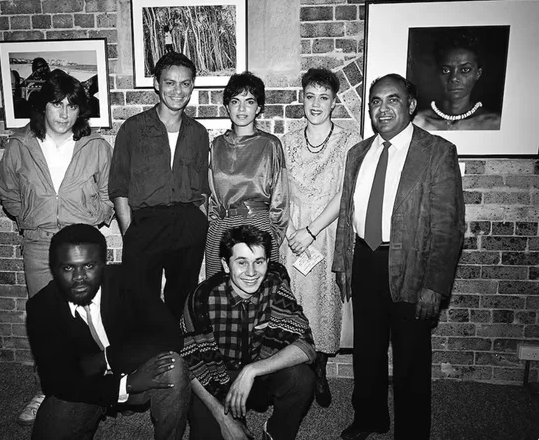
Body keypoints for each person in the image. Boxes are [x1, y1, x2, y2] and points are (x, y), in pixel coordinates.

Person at [333, 74, 465, 440]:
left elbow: (448, 226)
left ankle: (412, 432)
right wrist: (343, 264)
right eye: (375, 101)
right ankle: (370, 416)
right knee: (367, 350)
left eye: (393, 100)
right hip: (365, 258)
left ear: (410, 106)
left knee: (411, 358)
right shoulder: (357, 153)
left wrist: (434, 286)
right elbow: (348, 213)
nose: (383, 108)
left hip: (412, 266)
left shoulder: (437, 151)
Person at [0, 68, 114, 425]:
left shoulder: (95, 147)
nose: (64, 113)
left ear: (81, 110)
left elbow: (111, 194)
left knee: (88, 317)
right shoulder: (20, 146)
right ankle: (46, 389)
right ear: (43, 107)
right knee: (47, 321)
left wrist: (93, 212)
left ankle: (96, 386)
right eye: (56, 104)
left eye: (72, 105)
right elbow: (9, 196)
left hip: (81, 247)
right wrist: (34, 218)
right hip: (39, 245)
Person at [27, 224, 190, 440]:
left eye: (89, 266)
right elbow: (57, 380)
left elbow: (170, 335)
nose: (79, 277)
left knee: (173, 367)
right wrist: (126, 385)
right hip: (88, 387)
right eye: (68, 268)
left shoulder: (128, 279)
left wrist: (106, 358)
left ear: (103, 265)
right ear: (54, 268)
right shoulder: (41, 307)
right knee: (50, 433)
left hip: (133, 366)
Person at [181, 225, 316, 440]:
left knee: (302, 378)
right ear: (226, 265)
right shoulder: (201, 300)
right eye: (242, 262)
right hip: (216, 379)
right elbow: (189, 365)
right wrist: (224, 419)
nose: (252, 273)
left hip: (261, 375)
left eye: (259, 262)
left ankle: (275, 432)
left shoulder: (275, 285)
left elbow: (306, 346)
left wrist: (251, 371)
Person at [279, 68, 360, 407]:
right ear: (302, 99)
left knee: (324, 310)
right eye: (310, 96)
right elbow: (277, 192)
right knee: (294, 306)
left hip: (325, 236)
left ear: (334, 102)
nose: (316, 103)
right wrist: (290, 232)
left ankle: (321, 371)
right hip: (292, 237)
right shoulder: (287, 141)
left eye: (323, 97)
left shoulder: (348, 142)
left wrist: (311, 232)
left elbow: (346, 194)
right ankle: (296, 372)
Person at [109, 52, 209, 320]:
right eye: (170, 83)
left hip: (187, 224)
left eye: (185, 83)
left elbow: (202, 188)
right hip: (146, 225)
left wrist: (201, 222)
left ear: (192, 86)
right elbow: (119, 186)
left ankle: (181, 356)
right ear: (156, 84)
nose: (178, 90)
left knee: (183, 299)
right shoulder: (133, 129)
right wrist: (130, 231)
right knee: (141, 302)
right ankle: (149, 360)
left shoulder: (198, 133)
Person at [206, 71, 288, 279]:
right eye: (235, 101)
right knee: (221, 301)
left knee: (259, 299)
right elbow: (212, 197)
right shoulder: (216, 146)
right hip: (221, 230)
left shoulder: (270, 145)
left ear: (258, 107)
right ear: (227, 107)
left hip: (258, 226)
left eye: (249, 101)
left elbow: (280, 197)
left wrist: (272, 236)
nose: (242, 109)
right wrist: (215, 229)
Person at [414, 29, 501, 131]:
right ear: (437, 72)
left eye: (464, 70)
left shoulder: (493, 124)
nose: (454, 78)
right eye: (445, 70)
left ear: (478, 73)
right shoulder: (418, 122)